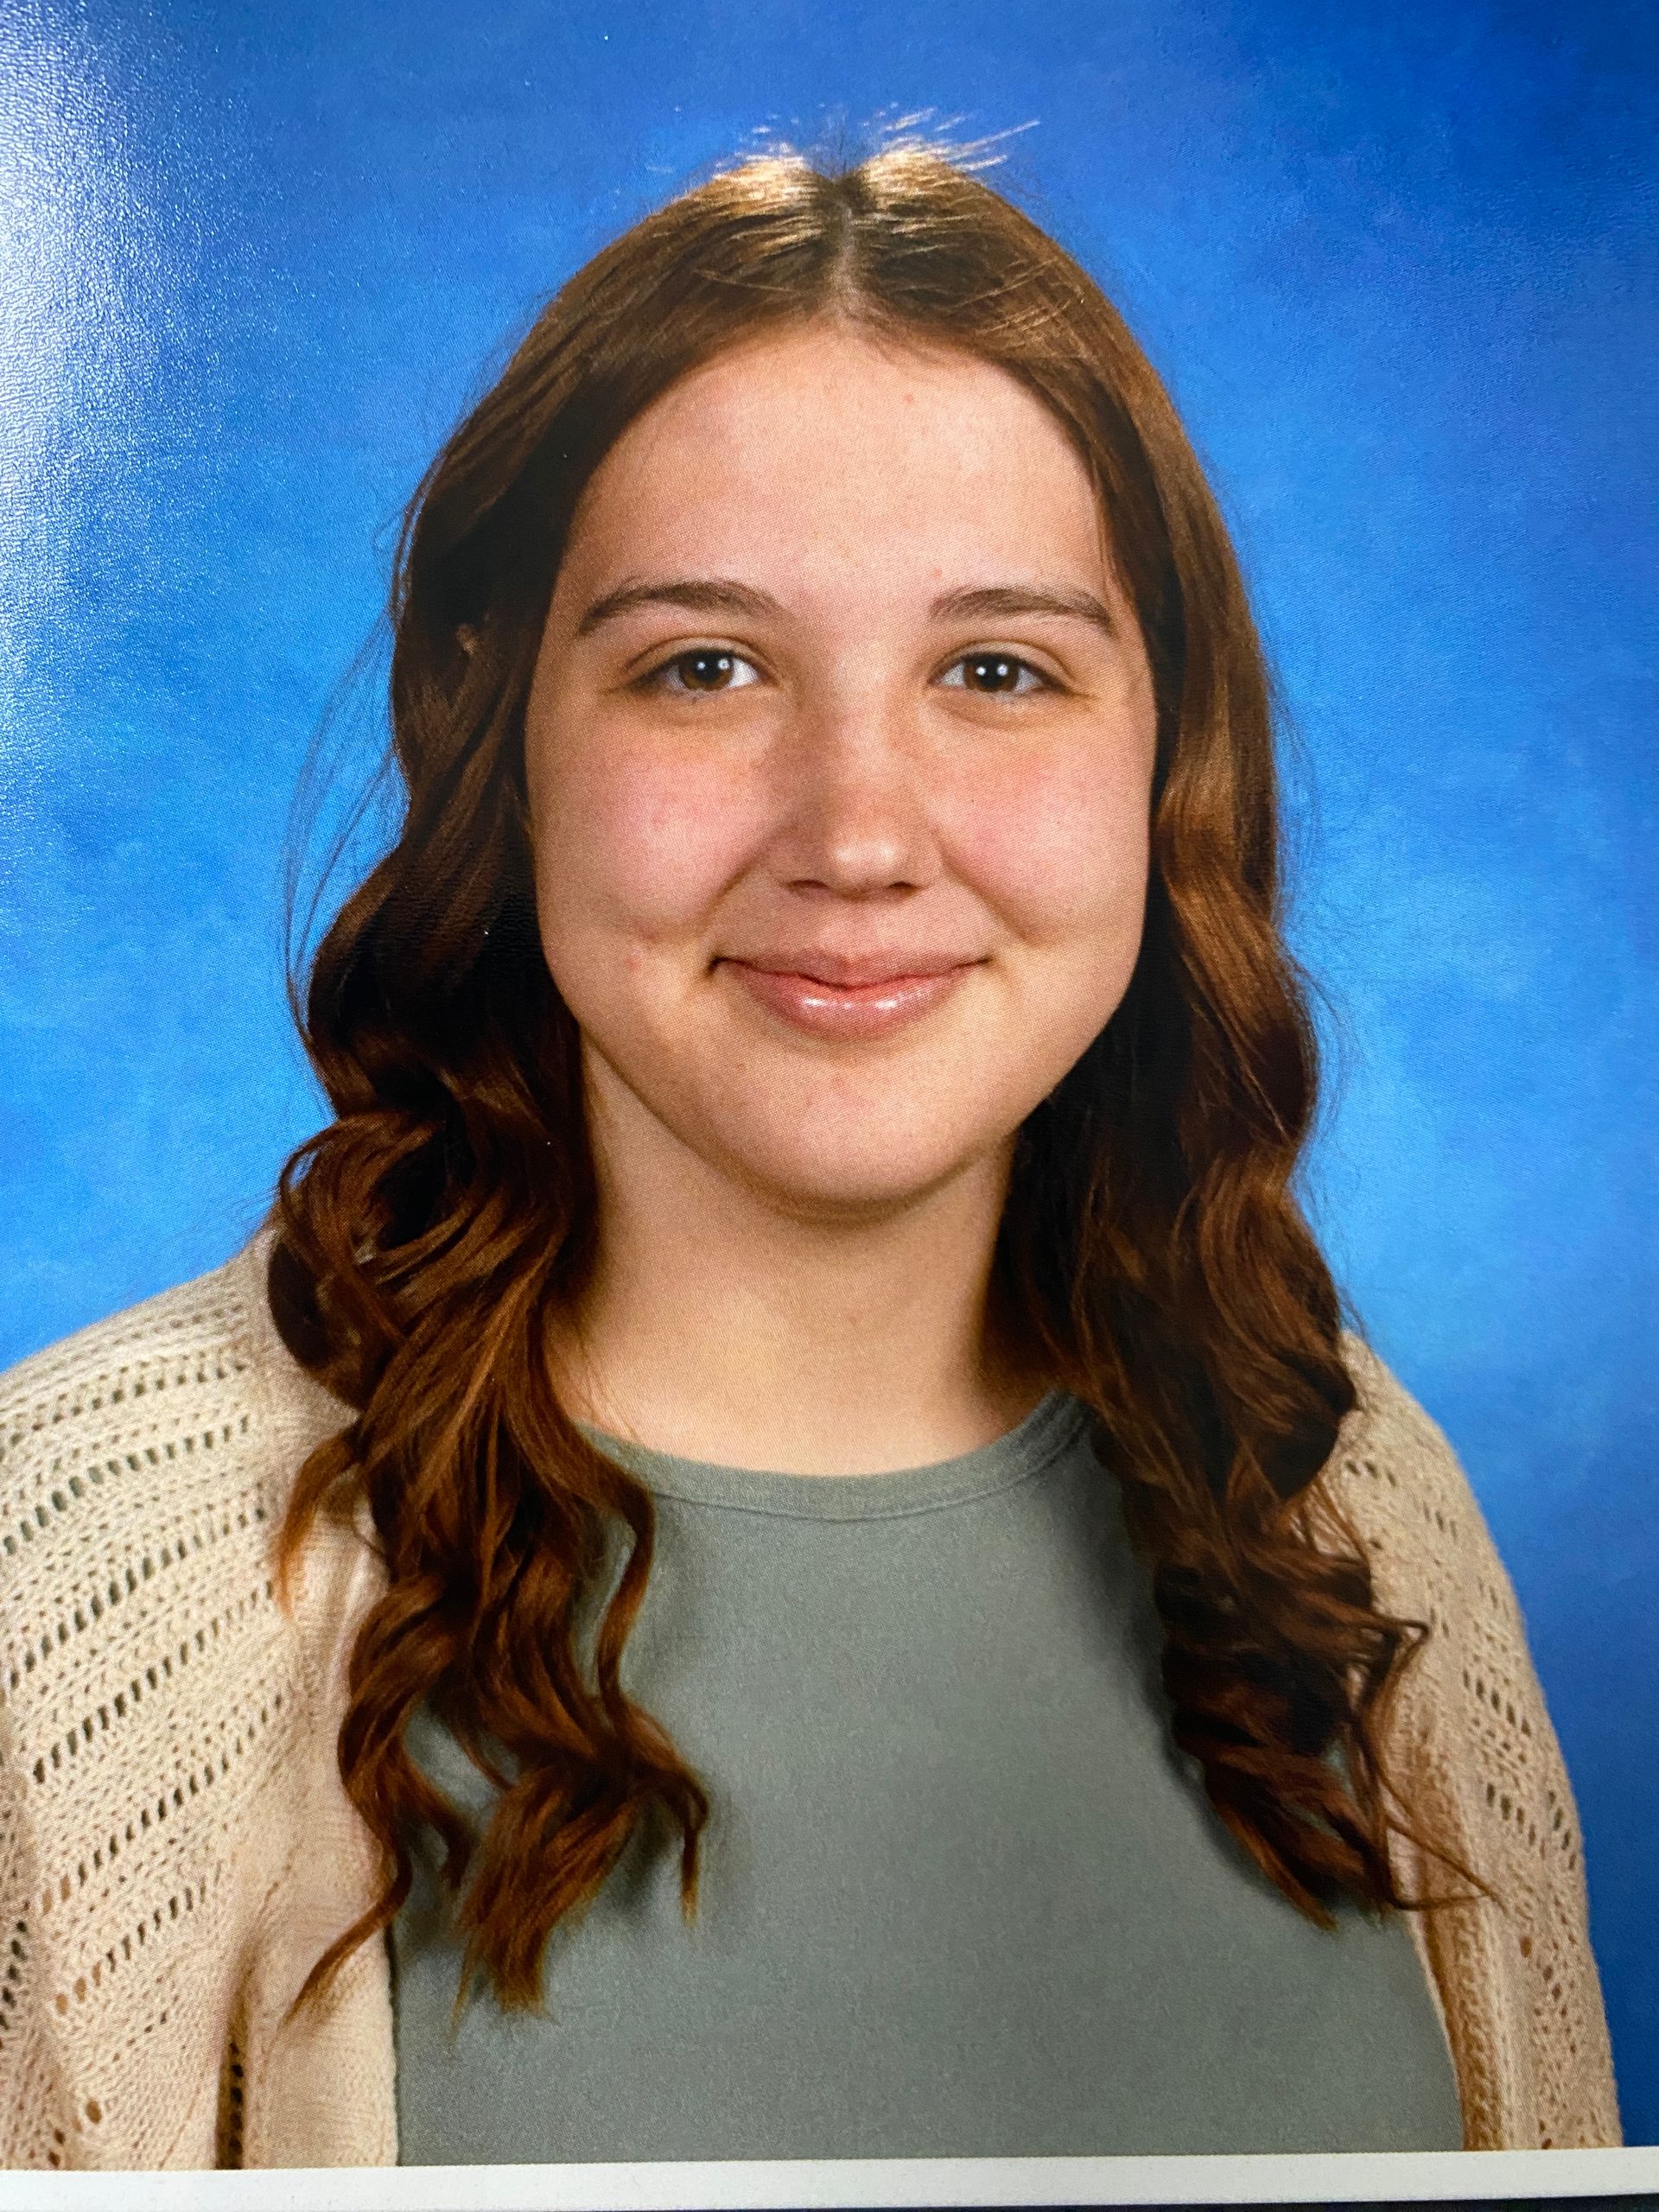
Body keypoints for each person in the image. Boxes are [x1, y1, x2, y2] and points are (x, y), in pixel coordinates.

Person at [0, 140, 1620, 2172]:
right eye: (705, 665)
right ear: (501, 740)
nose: (858, 833)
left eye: (997, 669)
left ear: (1167, 758)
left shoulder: (1351, 1498)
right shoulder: (78, 1573)